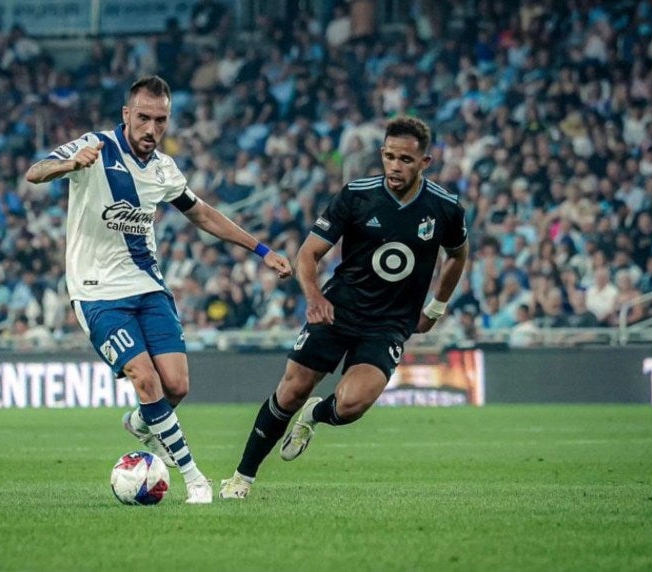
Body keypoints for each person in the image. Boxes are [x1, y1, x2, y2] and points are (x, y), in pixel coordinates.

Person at [25, 76, 292, 504]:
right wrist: (69, 165)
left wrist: (261, 250)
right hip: (97, 292)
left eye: (161, 120)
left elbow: (203, 215)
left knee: (177, 386)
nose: (152, 129)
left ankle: (140, 422)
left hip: (148, 287)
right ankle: (194, 478)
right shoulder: (95, 146)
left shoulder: (165, 169)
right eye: (144, 118)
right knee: (145, 379)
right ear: (126, 114)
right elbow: (35, 172)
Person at [219, 116, 468, 499]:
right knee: (291, 391)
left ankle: (315, 415)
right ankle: (241, 478)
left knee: (351, 405)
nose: (395, 166)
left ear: (424, 162)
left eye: (405, 159)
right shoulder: (357, 195)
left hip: (389, 324)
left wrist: (436, 308)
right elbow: (308, 254)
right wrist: (315, 297)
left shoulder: (445, 207)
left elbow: (457, 254)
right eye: (389, 157)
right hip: (338, 309)